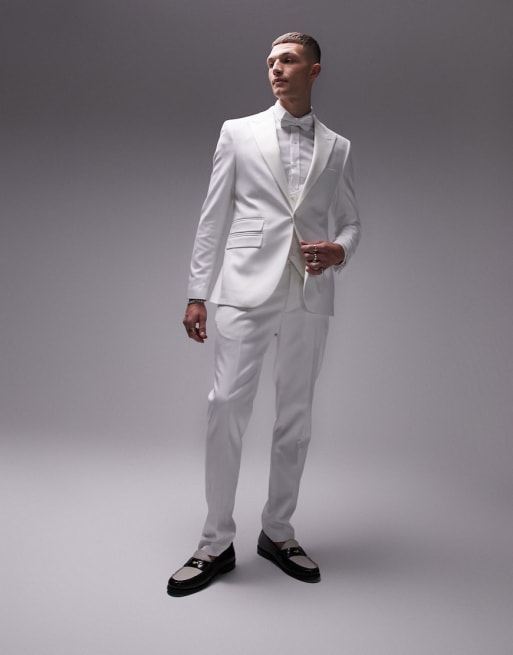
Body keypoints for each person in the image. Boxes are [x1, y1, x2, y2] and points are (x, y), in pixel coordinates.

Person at [167, 32, 360, 597]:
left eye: (288, 60)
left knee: (295, 418)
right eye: (271, 61)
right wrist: (197, 293)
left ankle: (278, 531)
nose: (275, 69)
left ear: (314, 70)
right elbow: (212, 216)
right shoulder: (238, 132)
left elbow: (352, 222)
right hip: (244, 289)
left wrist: (340, 250)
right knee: (225, 406)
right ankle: (214, 542)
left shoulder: (339, 146)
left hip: (309, 293)